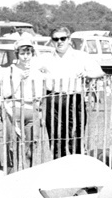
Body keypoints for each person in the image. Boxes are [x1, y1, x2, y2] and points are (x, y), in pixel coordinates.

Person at [40, 26, 106, 158]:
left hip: (74, 99)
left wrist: (87, 74)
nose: (59, 41)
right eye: (56, 39)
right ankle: (59, 164)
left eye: (63, 38)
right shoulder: (45, 58)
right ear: (52, 41)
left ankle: (77, 165)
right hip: (53, 99)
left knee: (76, 134)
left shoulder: (81, 56)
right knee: (56, 136)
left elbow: (100, 72)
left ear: (69, 39)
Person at [0, 39, 45, 171]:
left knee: (30, 147)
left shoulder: (36, 71)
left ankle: (28, 174)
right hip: (15, 109)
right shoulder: (10, 70)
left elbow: (41, 93)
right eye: (22, 53)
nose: (25, 57)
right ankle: (12, 175)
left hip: (32, 110)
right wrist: (19, 78)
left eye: (28, 53)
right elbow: (6, 93)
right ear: (16, 54)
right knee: (12, 147)